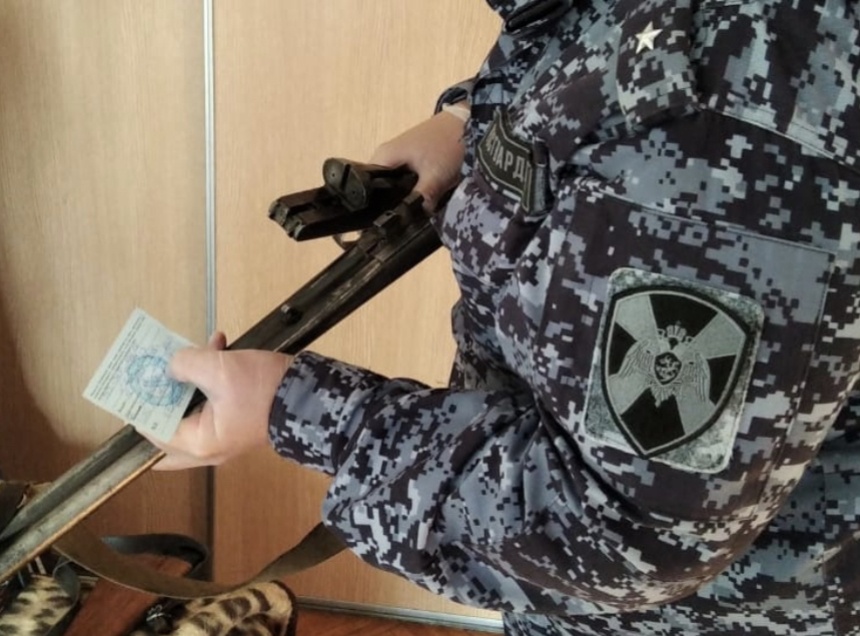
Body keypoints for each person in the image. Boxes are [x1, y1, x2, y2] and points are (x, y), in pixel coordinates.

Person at [152, 0, 860, 633]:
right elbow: (603, 40)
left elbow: (623, 535)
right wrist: (481, 119)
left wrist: (295, 409)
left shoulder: (724, 114)